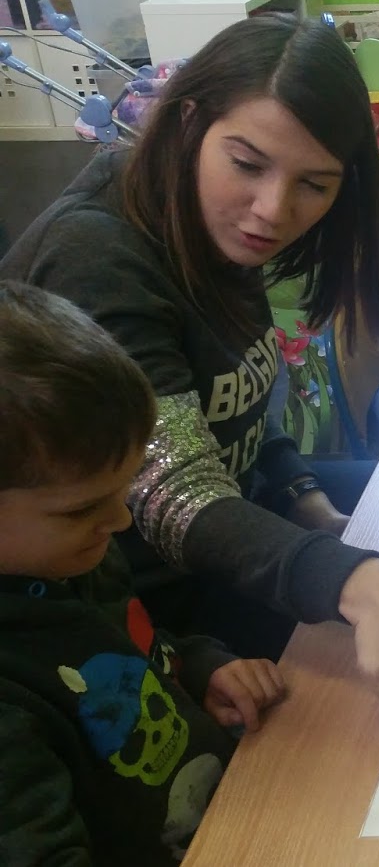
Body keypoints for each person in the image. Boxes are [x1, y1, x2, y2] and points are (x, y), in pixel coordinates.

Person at [0, 15, 379, 744]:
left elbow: (245, 414)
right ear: (189, 123)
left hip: (241, 520)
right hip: (167, 600)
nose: (274, 210)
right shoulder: (98, 260)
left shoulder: (211, 221)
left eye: (313, 185)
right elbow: (174, 493)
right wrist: (355, 582)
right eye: (248, 165)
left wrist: (307, 500)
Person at [0, 282, 288, 863]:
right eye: (81, 508)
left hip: (235, 808)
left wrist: (201, 668)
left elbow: (135, 650)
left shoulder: (70, 561)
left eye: (123, 489)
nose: (120, 519)